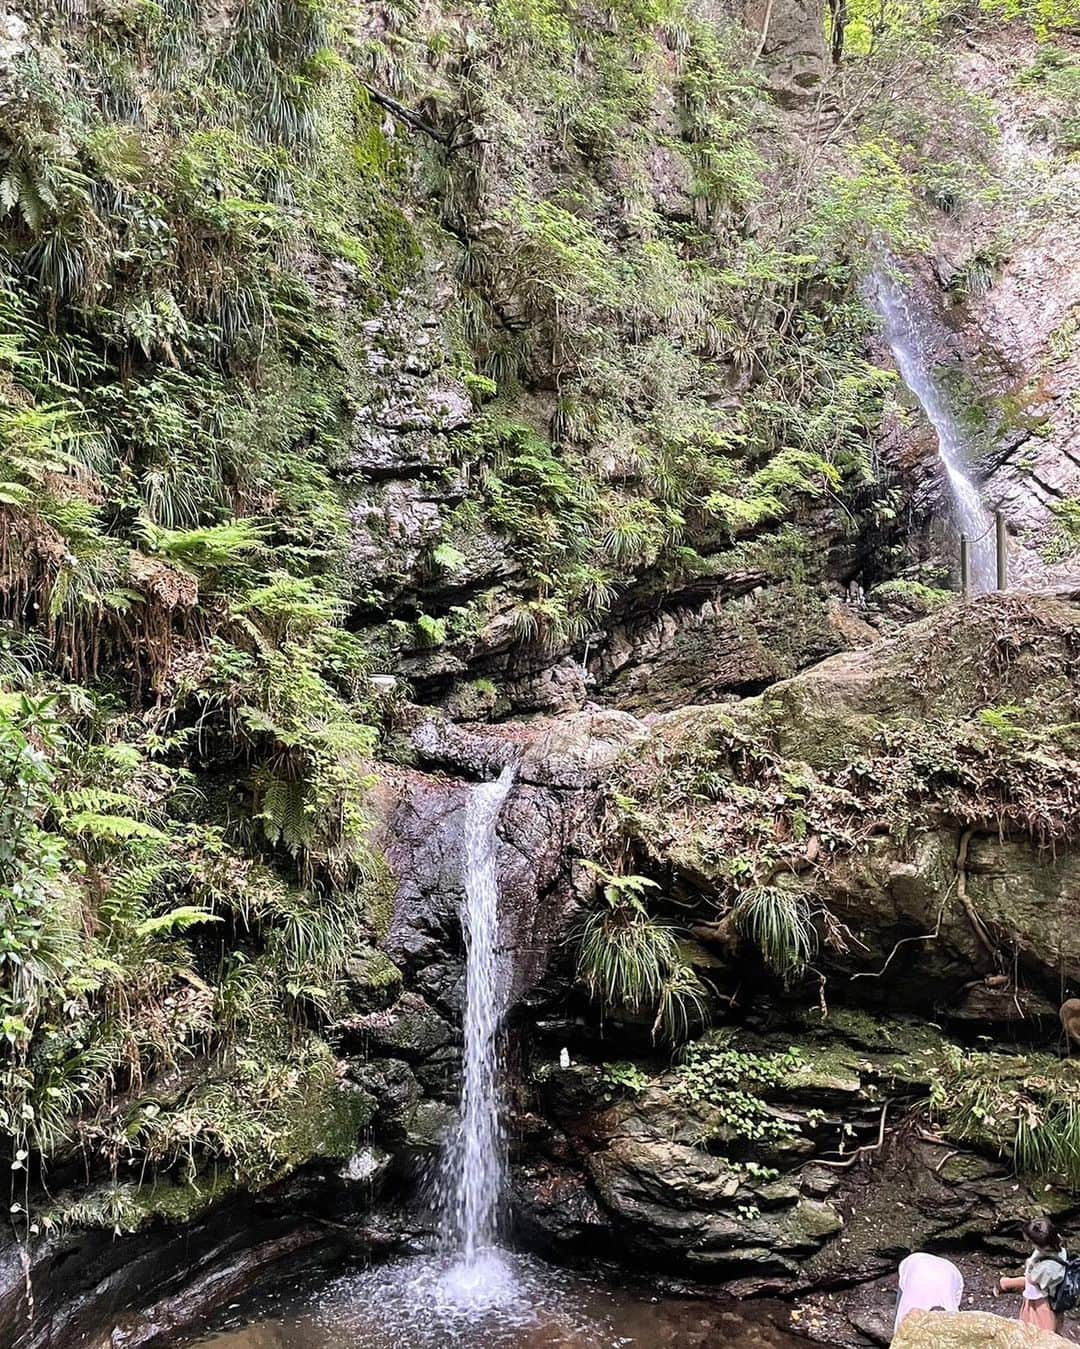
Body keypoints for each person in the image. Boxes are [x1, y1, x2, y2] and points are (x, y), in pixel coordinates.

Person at [997, 1216, 1067, 1332]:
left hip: (1044, 1293)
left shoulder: (1046, 1268)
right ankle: (1005, 1283)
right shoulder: (1058, 1242)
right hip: (1051, 1281)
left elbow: (1032, 1280)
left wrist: (1029, 1265)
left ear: (1038, 1244)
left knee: (1038, 1323)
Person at [895, 1252, 964, 1332]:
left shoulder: (953, 1319)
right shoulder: (906, 1316)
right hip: (914, 1263)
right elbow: (897, 1334)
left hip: (951, 1272)